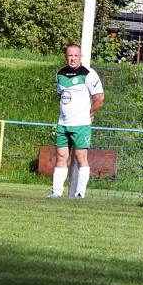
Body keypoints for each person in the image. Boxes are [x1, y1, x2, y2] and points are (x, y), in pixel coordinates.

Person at [48, 44, 104, 199]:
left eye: (75, 56)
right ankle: (56, 192)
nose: (73, 59)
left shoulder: (89, 74)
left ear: (81, 57)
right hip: (63, 123)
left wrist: (91, 113)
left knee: (81, 157)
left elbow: (99, 97)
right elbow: (61, 95)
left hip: (81, 124)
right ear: (66, 57)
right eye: (70, 56)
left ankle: (80, 193)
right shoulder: (60, 74)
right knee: (61, 156)